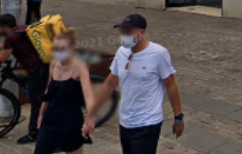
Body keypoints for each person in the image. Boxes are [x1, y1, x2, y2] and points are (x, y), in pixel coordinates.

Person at [84, 14, 184, 154]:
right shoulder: (121, 52)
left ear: (141, 32)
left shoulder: (158, 54)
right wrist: (91, 114)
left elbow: (170, 85)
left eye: (128, 31)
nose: (124, 35)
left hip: (148, 123)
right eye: (123, 31)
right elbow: (109, 85)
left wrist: (178, 117)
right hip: (125, 121)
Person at [0, 14, 48, 145]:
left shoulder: (12, 37)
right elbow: (8, 45)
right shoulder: (20, 29)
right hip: (41, 65)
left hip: (37, 69)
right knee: (38, 93)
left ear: (5, 27)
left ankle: (34, 134)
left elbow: (1, 58)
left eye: (0, 27)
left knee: (36, 101)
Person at [34, 30, 95, 154]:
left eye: (62, 49)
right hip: (50, 119)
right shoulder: (53, 64)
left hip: (70, 121)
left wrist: (89, 119)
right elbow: (48, 90)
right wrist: (41, 113)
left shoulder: (80, 67)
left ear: (72, 48)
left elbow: (89, 97)